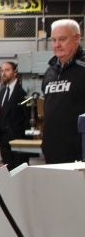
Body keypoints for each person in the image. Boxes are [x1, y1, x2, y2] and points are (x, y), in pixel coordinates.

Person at [41, 19, 85, 164]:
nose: (57, 45)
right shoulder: (50, 71)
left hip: (79, 154)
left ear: (77, 38)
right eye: (53, 40)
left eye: (62, 39)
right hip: (52, 152)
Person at [0, 61, 29, 170]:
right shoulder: (3, 91)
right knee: (8, 171)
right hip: (4, 140)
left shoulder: (22, 93)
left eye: (7, 70)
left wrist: (25, 142)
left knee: (19, 172)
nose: (3, 73)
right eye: (2, 70)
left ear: (15, 72)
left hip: (18, 140)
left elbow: (26, 118)